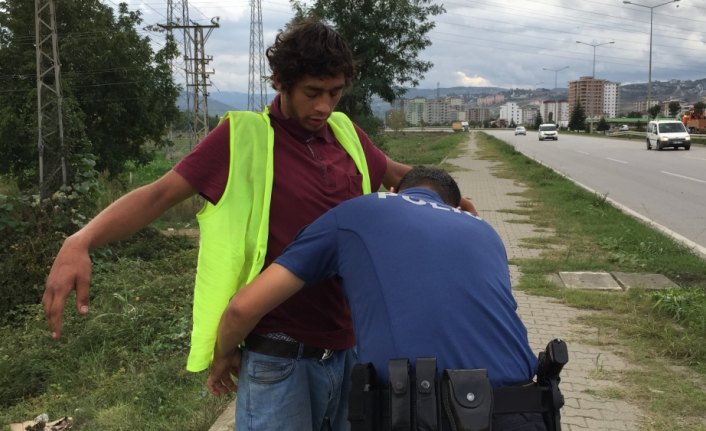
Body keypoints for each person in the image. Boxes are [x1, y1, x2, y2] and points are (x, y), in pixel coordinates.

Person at [43, 18, 476, 431]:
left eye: (335, 92)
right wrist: (81, 240)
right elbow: (158, 195)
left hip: (353, 350)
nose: (324, 106)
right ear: (280, 83)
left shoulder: (345, 133)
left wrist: (450, 201)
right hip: (278, 358)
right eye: (312, 92)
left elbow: (400, 176)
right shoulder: (242, 138)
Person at [207, 166, 545, 431]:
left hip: (421, 414)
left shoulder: (357, 212)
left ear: (394, 191)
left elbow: (242, 309)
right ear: (460, 205)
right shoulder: (485, 230)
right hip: (525, 408)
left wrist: (223, 355)